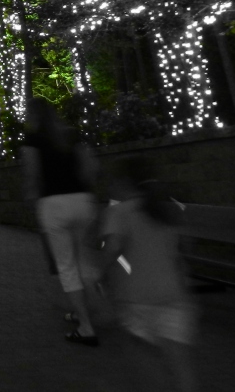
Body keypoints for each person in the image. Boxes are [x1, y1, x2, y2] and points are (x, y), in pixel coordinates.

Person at [100, 157, 196, 392]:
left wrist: (101, 275)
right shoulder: (167, 211)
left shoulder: (120, 212)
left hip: (136, 297)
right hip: (174, 295)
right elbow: (185, 248)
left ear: (125, 182)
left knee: (144, 363)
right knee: (180, 366)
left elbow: (111, 250)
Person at [22, 97, 101, 345]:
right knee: (85, 263)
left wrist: (31, 200)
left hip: (53, 205)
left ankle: (86, 326)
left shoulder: (32, 140)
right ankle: (92, 310)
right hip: (82, 201)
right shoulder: (72, 135)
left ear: (33, 115)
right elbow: (92, 168)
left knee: (66, 267)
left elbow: (32, 175)